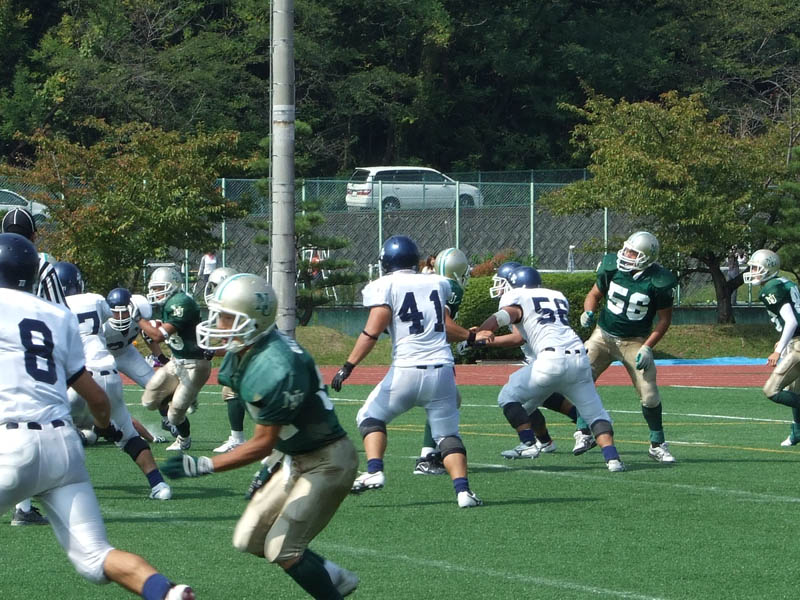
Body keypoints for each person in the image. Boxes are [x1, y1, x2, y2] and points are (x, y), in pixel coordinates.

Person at [0, 233, 193, 599]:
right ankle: (169, 592)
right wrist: (104, 428)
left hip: (11, 444)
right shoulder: (58, 316)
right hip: (63, 450)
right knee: (97, 557)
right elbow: (98, 399)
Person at [163, 273, 359, 599]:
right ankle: (331, 575)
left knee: (282, 548)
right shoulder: (244, 352)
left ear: (254, 320)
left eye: (226, 318)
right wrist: (271, 466)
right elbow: (275, 433)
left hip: (327, 460)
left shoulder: (277, 366)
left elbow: (262, 442)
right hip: (293, 456)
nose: (217, 324)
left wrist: (203, 465)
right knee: (249, 539)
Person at [330, 235, 490, 508]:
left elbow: (372, 332)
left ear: (386, 262)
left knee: (369, 417)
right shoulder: (438, 283)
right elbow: (444, 325)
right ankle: (463, 492)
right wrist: (471, 337)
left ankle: (375, 470)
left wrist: (348, 366)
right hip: (442, 370)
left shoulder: (383, 286)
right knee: (448, 435)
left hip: (406, 369)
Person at [476, 266, 625, 471]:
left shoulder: (518, 297)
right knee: (596, 414)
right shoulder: (556, 296)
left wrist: (480, 332)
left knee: (507, 397)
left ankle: (528, 443)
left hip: (550, 359)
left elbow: (502, 317)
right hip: (579, 357)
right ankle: (613, 459)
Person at [54, 262, 172, 501]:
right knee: (129, 435)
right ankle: (159, 485)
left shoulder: (51, 306)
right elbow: (116, 314)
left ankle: (29, 500)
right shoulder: (95, 299)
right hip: (109, 373)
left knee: (41, 429)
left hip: (80, 379)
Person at [466, 261, 583, 458]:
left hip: (546, 360)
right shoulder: (534, 299)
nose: (498, 287)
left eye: (501, 282)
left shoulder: (520, 302)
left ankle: (533, 442)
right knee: (543, 399)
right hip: (551, 358)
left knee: (517, 401)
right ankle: (553, 437)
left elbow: (517, 338)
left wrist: (484, 342)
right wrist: (479, 334)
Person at [579, 231, 678, 463]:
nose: (626, 255)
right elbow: (594, 294)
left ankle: (657, 444)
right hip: (602, 336)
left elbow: (664, 320)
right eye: (626, 249)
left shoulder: (659, 281)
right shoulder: (612, 268)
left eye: (633, 253)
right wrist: (588, 311)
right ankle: (584, 432)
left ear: (647, 257)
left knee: (649, 394)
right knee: (579, 375)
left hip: (634, 341)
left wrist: (648, 347)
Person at [2, 206, 66, 525]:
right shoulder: (42, 266)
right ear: (34, 236)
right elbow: (61, 314)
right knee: (27, 425)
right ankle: (24, 507)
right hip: (30, 359)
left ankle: (25, 503)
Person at [139, 266, 212, 451]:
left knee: (174, 415)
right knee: (149, 401)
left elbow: (158, 336)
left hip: (195, 364)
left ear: (173, 285)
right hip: (176, 361)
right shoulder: (170, 303)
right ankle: (188, 396)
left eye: (159, 288)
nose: (155, 292)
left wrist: (139, 319)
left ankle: (183, 439)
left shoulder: (181, 303)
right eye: (154, 288)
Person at [412, 247, 470, 475]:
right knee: (443, 401)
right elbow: (442, 322)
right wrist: (469, 336)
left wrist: (464, 335)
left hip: (414, 348)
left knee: (450, 400)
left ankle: (431, 453)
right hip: (433, 352)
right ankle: (428, 457)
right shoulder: (451, 287)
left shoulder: (426, 282)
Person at [743, 250, 800, 447]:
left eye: (756, 268)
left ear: (768, 268)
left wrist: (778, 350)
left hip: (798, 345)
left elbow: (791, 321)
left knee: (771, 390)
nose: (752, 272)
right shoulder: (784, 282)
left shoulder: (771, 288)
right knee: (795, 389)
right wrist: (783, 341)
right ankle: (797, 432)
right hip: (796, 341)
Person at [104, 288, 169, 443]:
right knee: (106, 397)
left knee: (157, 387)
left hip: (127, 354)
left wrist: (159, 355)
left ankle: (167, 419)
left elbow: (147, 334)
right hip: (104, 357)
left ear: (131, 308)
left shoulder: (138, 312)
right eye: (115, 313)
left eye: (124, 312)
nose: (120, 317)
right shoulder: (100, 321)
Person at [202, 266, 250, 454]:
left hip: (259, 355)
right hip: (249, 351)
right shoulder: (235, 306)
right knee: (231, 390)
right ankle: (238, 438)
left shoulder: (243, 308)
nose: (213, 291)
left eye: (216, 286)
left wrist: (214, 351)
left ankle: (241, 439)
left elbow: (242, 342)